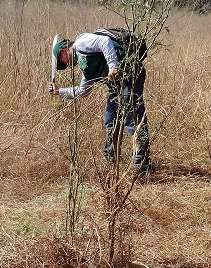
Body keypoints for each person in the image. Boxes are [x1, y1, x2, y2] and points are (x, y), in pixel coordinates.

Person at [48, 27, 151, 176]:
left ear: (63, 52)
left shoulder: (81, 43)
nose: (67, 65)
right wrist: (60, 91)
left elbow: (104, 41)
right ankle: (111, 165)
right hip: (116, 86)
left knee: (132, 120)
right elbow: (83, 91)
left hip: (131, 75)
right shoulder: (85, 65)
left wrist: (113, 67)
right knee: (111, 120)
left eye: (63, 61)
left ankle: (142, 168)